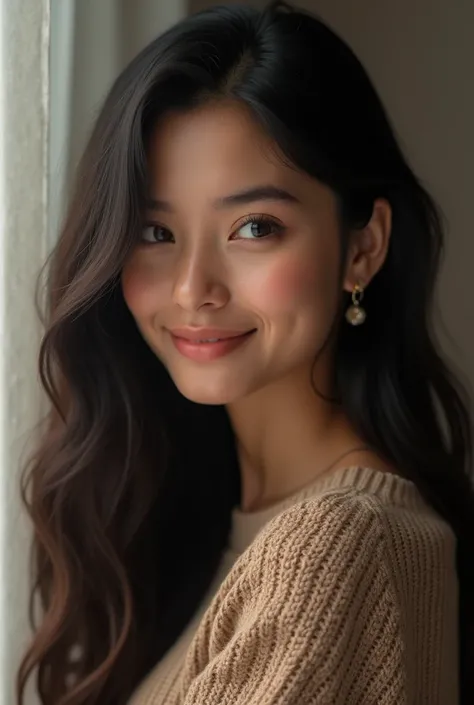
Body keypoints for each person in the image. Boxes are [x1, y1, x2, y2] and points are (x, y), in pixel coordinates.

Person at [17, 1, 474, 703]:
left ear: (363, 246)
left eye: (255, 227)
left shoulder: (340, 544)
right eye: (154, 231)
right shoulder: (220, 524)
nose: (194, 287)